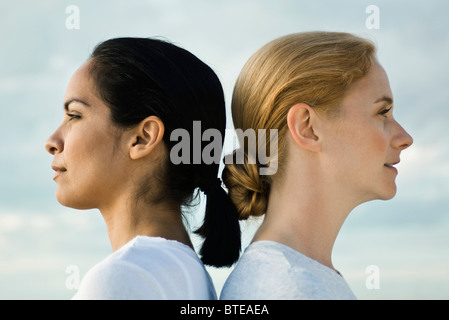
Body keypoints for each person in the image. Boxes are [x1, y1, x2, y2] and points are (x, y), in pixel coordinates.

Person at [220, 31, 413, 300]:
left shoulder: (297, 278)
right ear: (307, 127)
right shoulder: (288, 288)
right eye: (382, 112)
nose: (405, 138)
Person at [45, 37, 241, 299]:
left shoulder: (122, 279)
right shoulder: (184, 274)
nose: (52, 142)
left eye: (75, 115)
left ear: (143, 138)